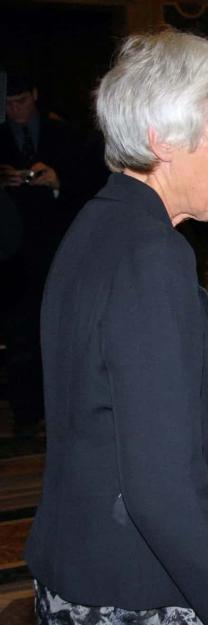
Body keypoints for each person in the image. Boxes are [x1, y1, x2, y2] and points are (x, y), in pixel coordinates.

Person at [25, 31, 208, 625]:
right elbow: (166, 501)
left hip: (80, 564)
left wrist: (204, 421)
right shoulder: (152, 259)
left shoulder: (101, 223)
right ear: (164, 139)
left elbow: (102, 397)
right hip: (134, 589)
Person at [0, 74, 81, 435]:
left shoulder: (63, 133)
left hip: (57, 250)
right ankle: (26, 412)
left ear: (34, 95)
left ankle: (61, 408)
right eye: (7, 104)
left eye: (19, 101)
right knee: (19, 335)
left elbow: (89, 185)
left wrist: (57, 181)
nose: (14, 110)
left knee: (61, 332)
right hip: (11, 257)